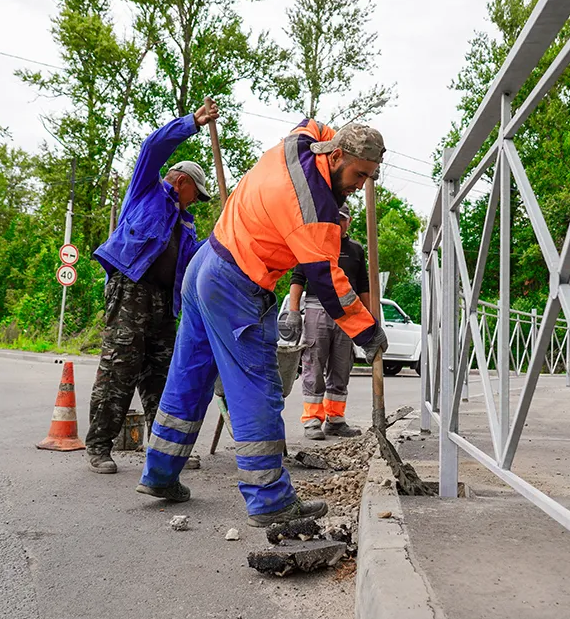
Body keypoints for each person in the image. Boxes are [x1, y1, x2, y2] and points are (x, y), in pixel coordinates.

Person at [137, 120, 388, 528]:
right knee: (257, 387)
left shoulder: (300, 142)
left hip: (206, 264)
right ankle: (269, 499)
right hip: (236, 281)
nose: (361, 185)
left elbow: (312, 123)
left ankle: (160, 474)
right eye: (359, 174)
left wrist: (339, 137)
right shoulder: (316, 209)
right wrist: (368, 331)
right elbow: (326, 280)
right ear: (337, 156)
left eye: (370, 177)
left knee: (189, 378)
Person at [84, 103, 218, 473]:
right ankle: (99, 447)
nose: (198, 201)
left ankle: (165, 450)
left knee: (163, 375)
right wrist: (193, 122)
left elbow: (195, 267)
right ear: (182, 181)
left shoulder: (187, 225)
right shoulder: (148, 190)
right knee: (119, 368)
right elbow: (152, 147)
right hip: (130, 291)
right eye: (197, 193)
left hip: (164, 303)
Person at [290, 203, 371, 440]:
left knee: (342, 367)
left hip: (348, 316)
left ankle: (335, 420)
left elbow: (364, 286)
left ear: (350, 221)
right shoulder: (313, 243)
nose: (338, 223)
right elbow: (298, 278)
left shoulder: (356, 249)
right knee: (314, 365)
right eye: (335, 218)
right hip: (317, 311)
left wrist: (370, 320)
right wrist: (294, 311)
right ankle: (312, 421)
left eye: (343, 219)